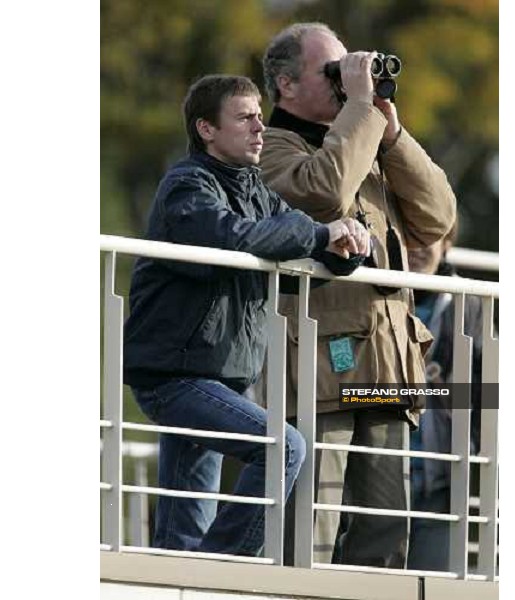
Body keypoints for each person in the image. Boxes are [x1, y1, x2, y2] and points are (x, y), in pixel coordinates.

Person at [122, 74, 370, 556]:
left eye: (260, 114)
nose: (261, 126)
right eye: (245, 117)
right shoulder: (187, 185)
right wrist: (318, 233)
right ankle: (222, 571)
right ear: (207, 130)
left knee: (180, 534)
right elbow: (232, 238)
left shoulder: (256, 190)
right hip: (176, 377)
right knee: (284, 448)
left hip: (218, 378)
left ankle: (192, 577)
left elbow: (302, 254)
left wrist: (347, 249)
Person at [260, 23, 457, 568]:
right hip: (323, 370)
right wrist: (364, 112)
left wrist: (392, 135)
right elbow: (322, 193)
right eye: (333, 73)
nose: (349, 83)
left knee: (386, 530)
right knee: (312, 531)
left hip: (388, 367)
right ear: (286, 84)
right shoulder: (271, 146)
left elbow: (438, 218)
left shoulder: (365, 141)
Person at [406, 221, 484, 572]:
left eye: (429, 237)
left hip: (443, 484)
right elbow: (348, 393)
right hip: (373, 477)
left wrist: (416, 392)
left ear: (447, 244)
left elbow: (492, 393)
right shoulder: (366, 295)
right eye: (410, 237)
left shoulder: (469, 304)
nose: (419, 247)